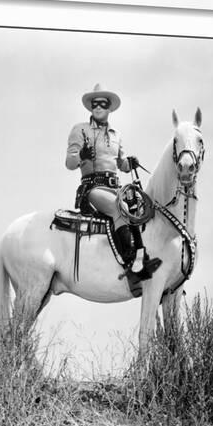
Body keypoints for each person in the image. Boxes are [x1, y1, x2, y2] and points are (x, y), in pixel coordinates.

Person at [65, 83, 159, 280]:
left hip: (115, 187)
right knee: (120, 208)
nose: (98, 107)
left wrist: (130, 163)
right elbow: (69, 163)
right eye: (94, 104)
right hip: (93, 187)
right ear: (91, 108)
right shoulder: (80, 130)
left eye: (102, 104)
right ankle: (131, 259)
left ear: (109, 108)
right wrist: (81, 155)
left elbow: (120, 164)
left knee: (140, 208)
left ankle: (144, 255)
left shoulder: (116, 135)